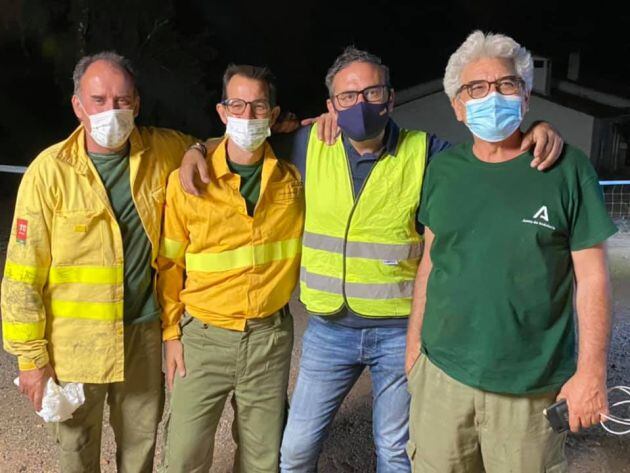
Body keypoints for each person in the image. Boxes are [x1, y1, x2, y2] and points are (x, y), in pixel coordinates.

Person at [179, 46, 564, 473]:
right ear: (331, 105)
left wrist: (538, 128)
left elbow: (487, 153)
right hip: (329, 330)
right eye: (347, 96)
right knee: (295, 450)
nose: (360, 105)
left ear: (391, 98)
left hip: (397, 330)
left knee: (394, 450)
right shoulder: (308, 143)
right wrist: (197, 147)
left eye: (372, 93)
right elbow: (243, 136)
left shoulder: (426, 153)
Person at [405, 31, 617, 472]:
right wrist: (414, 354)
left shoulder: (566, 169)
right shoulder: (444, 171)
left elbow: (594, 278)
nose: (492, 96)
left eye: (505, 85)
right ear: (458, 107)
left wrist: (591, 373)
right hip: (441, 379)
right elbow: (431, 261)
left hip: (529, 392)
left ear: (525, 95)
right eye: (476, 88)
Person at [1, 51, 198, 472]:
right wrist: (32, 360)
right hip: (75, 346)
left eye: (122, 100)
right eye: (99, 100)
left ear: (137, 104)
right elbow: (21, 278)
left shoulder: (162, 152)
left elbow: (216, 148)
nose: (112, 110)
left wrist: (198, 150)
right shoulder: (48, 173)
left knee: (140, 448)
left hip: (141, 337)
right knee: (76, 453)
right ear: (78, 106)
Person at [157, 64, 303, 472]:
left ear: (273, 116)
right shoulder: (188, 181)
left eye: (258, 107)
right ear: (222, 113)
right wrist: (171, 334)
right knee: (183, 456)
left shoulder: (292, 183)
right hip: (202, 339)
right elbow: (169, 264)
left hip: (269, 339)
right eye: (237, 105)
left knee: (262, 459)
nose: (248, 116)